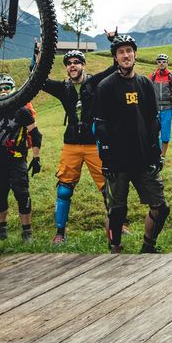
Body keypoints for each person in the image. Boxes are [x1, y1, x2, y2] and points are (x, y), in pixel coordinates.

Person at [34, 38, 118, 244]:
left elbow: (115, 68)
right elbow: (38, 80)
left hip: (93, 144)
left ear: (83, 65)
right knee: (64, 189)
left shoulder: (94, 82)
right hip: (71, 144)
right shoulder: (63, 88)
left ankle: (117, 226)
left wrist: (113, 41)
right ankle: (60, 233)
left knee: (109, 188)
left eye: (76, 62)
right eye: (69, 63)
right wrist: (37, 56)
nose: (72, 65)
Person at [93, 34, 168, 254]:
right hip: (117, 161)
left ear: (135, 54)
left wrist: (156, 154)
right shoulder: (106, 86)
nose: (126, 55)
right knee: (116, 211)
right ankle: (114, 249)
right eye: (121, 52)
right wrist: (106, 159)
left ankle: (148, 246)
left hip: (144, 158)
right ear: (115, 58)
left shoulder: (145, 83)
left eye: (129, 51)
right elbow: (100, 125)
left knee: (161, 207)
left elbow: (153, 121)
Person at [0, 74, 43, 243]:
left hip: (18, 159)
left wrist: (36, 158)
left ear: (13, 89)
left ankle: (27, 233)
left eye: (7, 88)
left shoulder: (23, 110)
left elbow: (36, 134)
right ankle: (1, 230)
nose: (3, 91)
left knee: (22, 193)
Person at [148, 53, 172, 157]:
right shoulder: (152, 77)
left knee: (165, 135)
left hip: (167, 109)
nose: (161, 64)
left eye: (164, 62)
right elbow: (147, 94)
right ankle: (156, 153)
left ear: (167, 63)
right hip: (155, 109)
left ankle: (163, 156)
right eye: (159, 62)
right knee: (154, 133)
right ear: (157, 63)